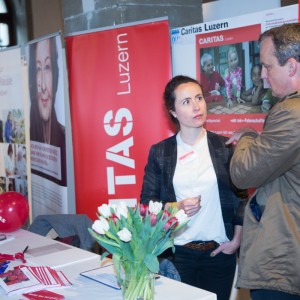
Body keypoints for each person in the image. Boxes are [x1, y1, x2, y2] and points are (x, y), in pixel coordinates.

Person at [140, 75, 247, 300]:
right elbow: (146, 204)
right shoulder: (161, 152)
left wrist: (236, 241)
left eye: (199, 98)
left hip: (219, 254)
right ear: (173, 111)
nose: (196, 106)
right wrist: (175, 206)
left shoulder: (225, 147)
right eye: (186, 101)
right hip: (178, 255)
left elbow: (241, 198)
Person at [226, 23, 300, 299]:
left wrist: (246, 136)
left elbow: (244, 174)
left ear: (291, 66)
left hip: (285, 256)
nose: (264, 77)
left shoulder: (291, 114)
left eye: (268, 67)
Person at [29, 37, 67, 186]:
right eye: (38, 69)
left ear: (56, 76)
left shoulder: (65, 141)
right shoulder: (29, 141)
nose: (43, 86)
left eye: (47, 67)